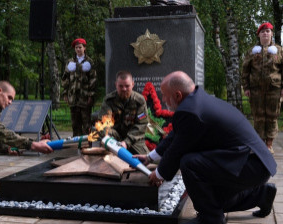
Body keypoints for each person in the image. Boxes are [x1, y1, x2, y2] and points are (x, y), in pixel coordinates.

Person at [134, 71, 277, 224]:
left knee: (189, 163)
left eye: (164, 95)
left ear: (177, 95)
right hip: (254, 163)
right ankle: (262, 195)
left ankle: (210, 219)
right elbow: (176, 136)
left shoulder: (190, 111)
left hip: (248, 165)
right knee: (213, 199)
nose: (163, 99)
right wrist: (150, 158)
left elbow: (177, 151)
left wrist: (159, 174)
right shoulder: (196, 102)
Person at [241, 22, 283, 154]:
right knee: (258, 116)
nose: (265, 33)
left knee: (272, 116)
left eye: (268, 31)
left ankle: (269, 145)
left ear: (271, 34)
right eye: (263, 31)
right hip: (256, 90)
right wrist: (246, 87)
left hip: (274, 89)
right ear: (259, 35)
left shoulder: (279, 50)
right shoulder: (252, 52)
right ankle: (259, 144)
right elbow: (245, 71)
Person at [98, 70, 149, 154]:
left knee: (147, 162)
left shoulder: (139, 101)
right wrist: (107, 137)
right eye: (120, 86)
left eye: (127, 86)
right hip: (114, 137)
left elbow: (141, 125)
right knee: (104, 161)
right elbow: (103, 123)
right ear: (116, 85)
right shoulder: (109, 101)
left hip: (134, 139)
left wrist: (126, 142)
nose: (124, 89)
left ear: (133, 84)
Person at [61, 38, 97, 136]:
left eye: (80, 47)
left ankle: (86, 143)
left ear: (84, 48)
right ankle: (76, 143)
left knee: (86, 123)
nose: (78, 49)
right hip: (73, 97)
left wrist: (91, 95)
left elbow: (93, 79)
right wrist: (65, 93)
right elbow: (65, 78)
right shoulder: (70, 62)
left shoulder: (89, 62)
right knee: (75, 123)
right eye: (76, 47)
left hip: (84, 97)